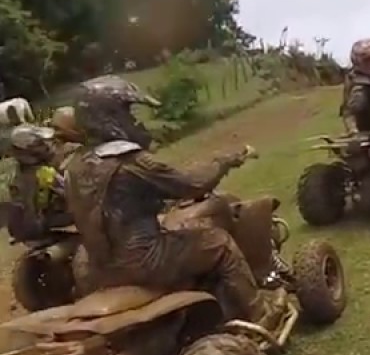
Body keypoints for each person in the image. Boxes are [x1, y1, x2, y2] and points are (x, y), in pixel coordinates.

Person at [63, 75, 285, 327]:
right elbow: (192, 184)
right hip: (146, 262)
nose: (134, 120)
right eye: (128, 112)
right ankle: (261, 314)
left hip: (101, 269)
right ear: (108, 116)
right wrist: (227, 160)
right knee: (219, 243)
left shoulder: (75, 166)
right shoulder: (129, 161)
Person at [5, 125, 74, 243]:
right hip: (35, 227)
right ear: (28, 150)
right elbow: (72, 194)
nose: (46, 147)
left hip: (18, 227)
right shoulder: (43, 173)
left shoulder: (14, 170)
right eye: (40, 144)